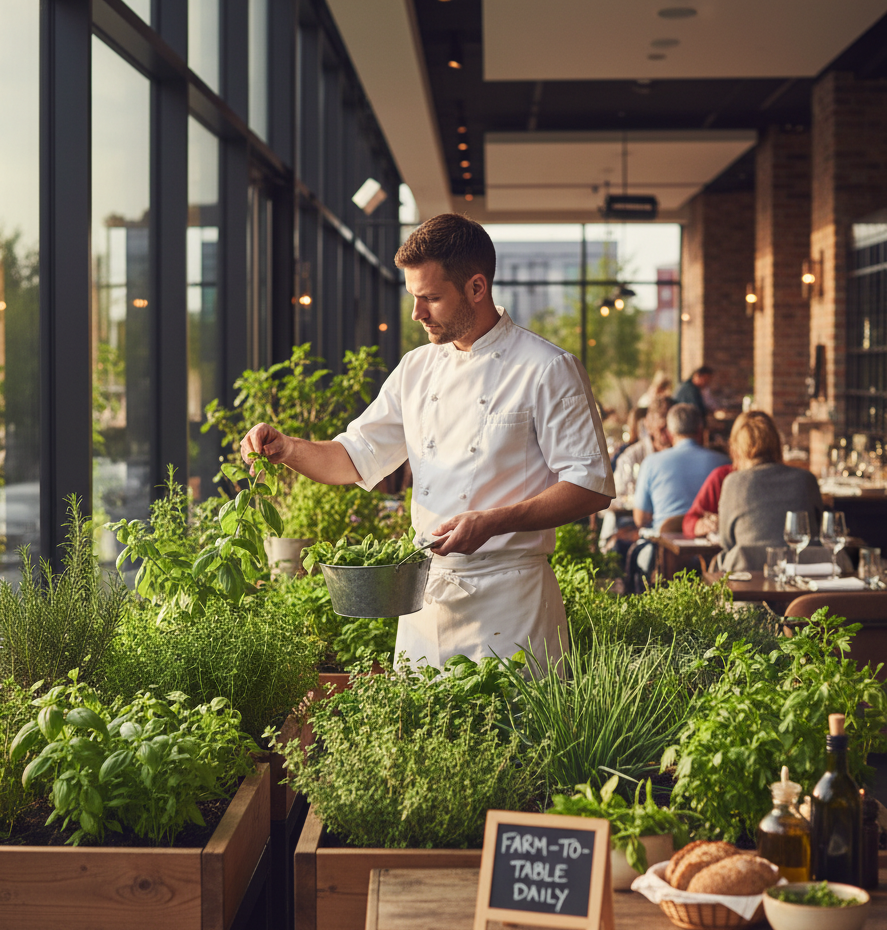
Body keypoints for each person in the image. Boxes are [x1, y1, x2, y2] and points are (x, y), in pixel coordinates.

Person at [240, 213, 615, 668]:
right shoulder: (416, 369)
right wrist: (288, 449)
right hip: (426, 599)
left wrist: (493, 521)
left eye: (431, 298)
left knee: (512, 735)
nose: (417, 313)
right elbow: (353, 458)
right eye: (414, 297)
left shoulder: (547, 368)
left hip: (512, 601)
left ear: (477, 288)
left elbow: (591, 485)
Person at [626, 403, 730, 591]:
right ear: (700, 430)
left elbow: (640, 519)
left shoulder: (651, 463)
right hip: (715, 559)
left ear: (670, 432)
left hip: (665, 561)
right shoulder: (724, 463)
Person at [713, 411, 823, 572]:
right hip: (803, 580)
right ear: (777, 442)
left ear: (736, 447)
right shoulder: (806, 479)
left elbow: (727, 543)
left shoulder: (733, 483)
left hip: (747, 581)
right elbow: (818, 531)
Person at [599, 396, 673, 555]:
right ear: (647, 424)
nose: (666, 432)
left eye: (669, 426)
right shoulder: (632, 457)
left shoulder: (680, 458)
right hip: (634, 522)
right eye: (661, 427)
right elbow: (613, 499)